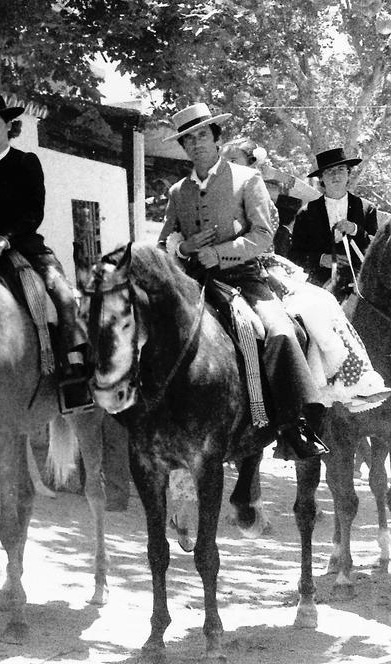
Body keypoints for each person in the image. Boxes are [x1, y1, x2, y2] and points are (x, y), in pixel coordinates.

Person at [158, 102, 327, 460]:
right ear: (184, 147)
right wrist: (185, 246)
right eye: (188, 139)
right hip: (193, 281)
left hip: (243, 278)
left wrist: (219, 254)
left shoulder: (247, 180)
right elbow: (163, 243)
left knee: (281, 333)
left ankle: (291, 423)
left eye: (202, 134)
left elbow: (265, 235)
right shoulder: (178, 192)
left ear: (216, 138)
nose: (196, 143)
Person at [0, 93, 87, 407]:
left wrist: (7, 237)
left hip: (25, 247)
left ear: (9, 126)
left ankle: (74, 376)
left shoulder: (26, 162)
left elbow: (34, 212)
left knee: (64, 298)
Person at [288, 148, 380, 297]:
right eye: (329, 171)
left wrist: (356, 230)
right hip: (319, 287)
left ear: (349, 173)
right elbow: (294, 255)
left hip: (360, 288)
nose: (336, 175)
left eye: (341, 169)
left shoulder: (366, 208)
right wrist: (321, 259)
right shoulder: (306, 213)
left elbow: (376, 249)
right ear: (321, 178)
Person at [219, 138, 321, 258]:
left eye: (233, 160)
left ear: (251, 162)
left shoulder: (271, 190)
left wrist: (277, 175)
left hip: (267, 259)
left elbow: (316, 200)